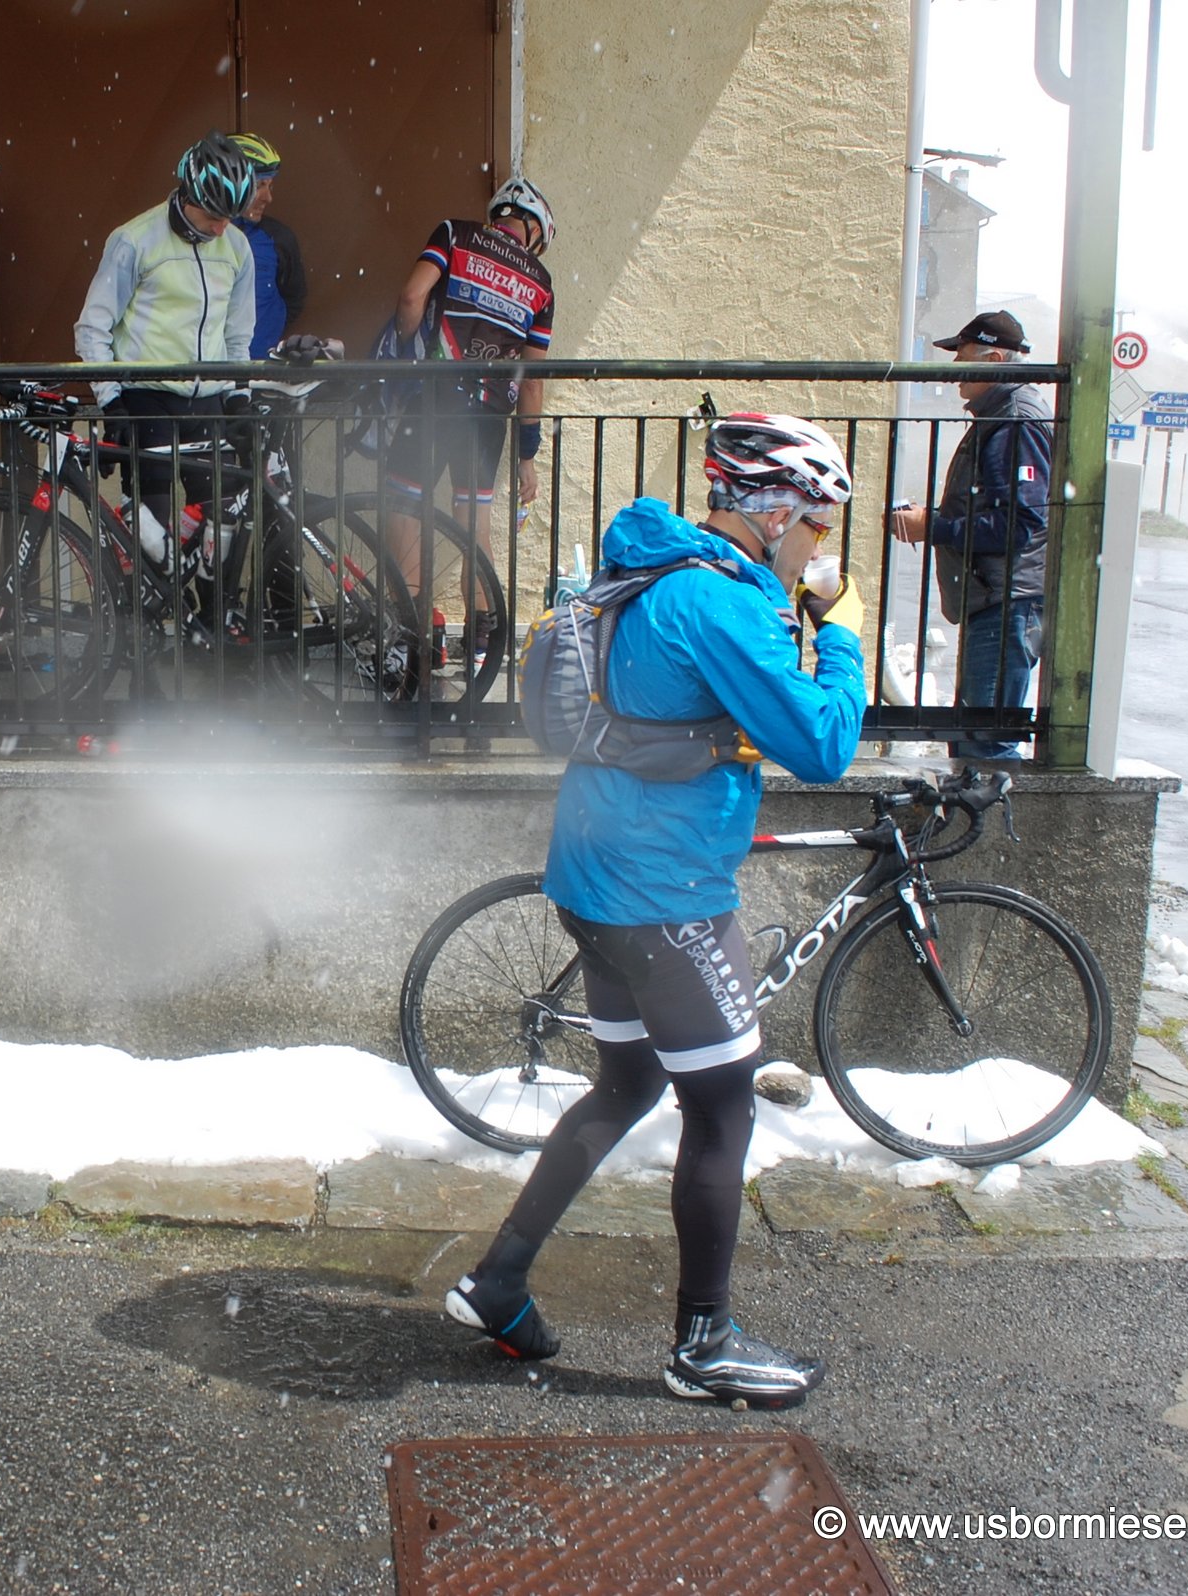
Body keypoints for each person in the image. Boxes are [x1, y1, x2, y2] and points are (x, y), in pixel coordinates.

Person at [442, 413, 865, 1410]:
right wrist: (841, 628)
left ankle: (498, 1280)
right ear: (779, 512)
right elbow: (823, 745)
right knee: (722, 1106)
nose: (819, 544)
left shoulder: (650, 572)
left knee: (626, 1084)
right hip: (667, 895)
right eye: (817, 522)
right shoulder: (721, 604)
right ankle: (702, 1345)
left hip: (593, 876)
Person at [382, 177, 556, 674]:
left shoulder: (455, 234)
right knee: (474, 524)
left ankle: (414, 634)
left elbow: (412, 297)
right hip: (488, 417)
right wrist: (527, 454)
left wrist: (402, 353)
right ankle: (481, 645)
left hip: (434, 397)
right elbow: (531, 381)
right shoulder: (540, 282)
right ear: (535, 231)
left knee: (405, 507)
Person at [73, 131, 258, 561]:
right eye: (213, 215)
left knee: (219, 541)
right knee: (150, 542)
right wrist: (111, 403)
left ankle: (208, 603)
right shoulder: (135, 239)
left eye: (230, 217)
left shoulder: (236, 247)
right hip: (149, 401)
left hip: (209, 402)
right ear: (189, 195)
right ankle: (146, 604)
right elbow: (93, 327)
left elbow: (238, 335)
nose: (221, 228)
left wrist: (239, 396)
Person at [885, 309, 1053, 762]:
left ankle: (996, 809)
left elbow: (1018, 525)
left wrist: (933, 526)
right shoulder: (1003, 414)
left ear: (994, 360)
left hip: (1008, 601)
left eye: (962, 358)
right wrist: (934, 520)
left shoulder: (1014, 419)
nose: (955, 370)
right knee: (977, 735)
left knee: (985, 741)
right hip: (1001, 598)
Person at [229, 134, 306, 360]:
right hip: (205, 371)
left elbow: (293, 298)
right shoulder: (202, 236)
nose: (268, 197)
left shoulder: (279, 238)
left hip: (259, 368)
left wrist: (265, 334)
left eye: (270, 186)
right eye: (259, 185)